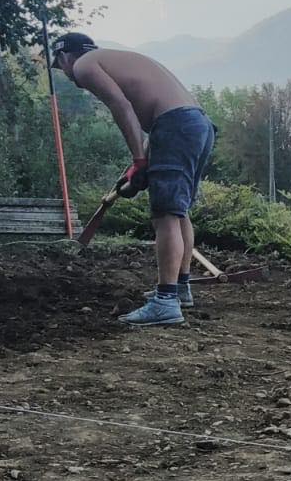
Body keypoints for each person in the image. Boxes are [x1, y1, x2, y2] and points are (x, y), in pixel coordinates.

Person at [50, 33, 213, 326]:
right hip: (196, 124)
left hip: (176, 126)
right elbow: (157, 117)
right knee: (178, 212)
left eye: (59, 66)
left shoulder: (85, 65)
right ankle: (180, 288)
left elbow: (121, 107)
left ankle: (165, 302)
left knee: (165, 215)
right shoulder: (114, 60)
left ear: (64, 57)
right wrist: (140, 165)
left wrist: (139, 161)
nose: (64, 73)